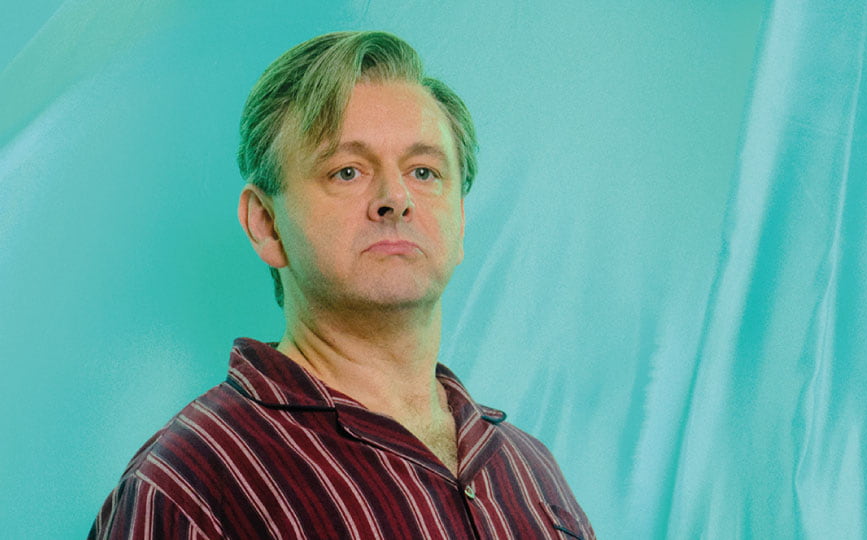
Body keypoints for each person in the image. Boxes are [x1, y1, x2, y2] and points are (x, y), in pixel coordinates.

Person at [90, 31, 594, 539]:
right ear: (265, 223)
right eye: (347, 171)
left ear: (460, 222)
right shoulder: (190, 488)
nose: (395, 198)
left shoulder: (532, 472)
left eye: (424, 171)